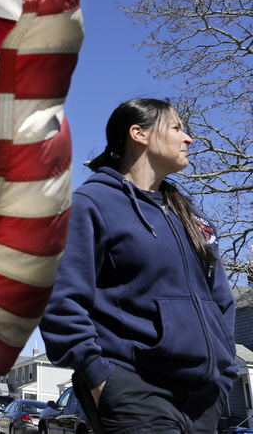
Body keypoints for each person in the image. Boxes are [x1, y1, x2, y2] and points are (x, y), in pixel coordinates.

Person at [40, 98, 238, 434]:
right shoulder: (92, 204)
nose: (188, 138)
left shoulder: (192, 215)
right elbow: (59, 300)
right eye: (177, 128)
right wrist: (100, 377)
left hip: (203, 399)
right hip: (134, 387)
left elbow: (221, 300)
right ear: (138, 134)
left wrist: (226, 375)